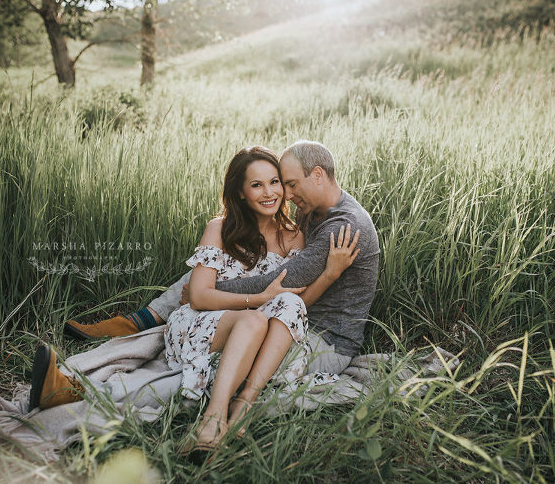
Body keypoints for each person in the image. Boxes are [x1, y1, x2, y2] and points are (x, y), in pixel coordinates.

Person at [28, 146, 362, 454]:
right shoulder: (220, 228)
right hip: (200, 323)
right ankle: (215, 417)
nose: (271, 192)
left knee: (272, 318)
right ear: (241, 193)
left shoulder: (294, 236)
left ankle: (234, 405)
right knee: (253, 321)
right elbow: (199, 297)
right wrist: (259, 297)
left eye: (275, 182)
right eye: (257, 185)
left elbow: (298, 299)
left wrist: (330, 274)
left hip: (254, 328)